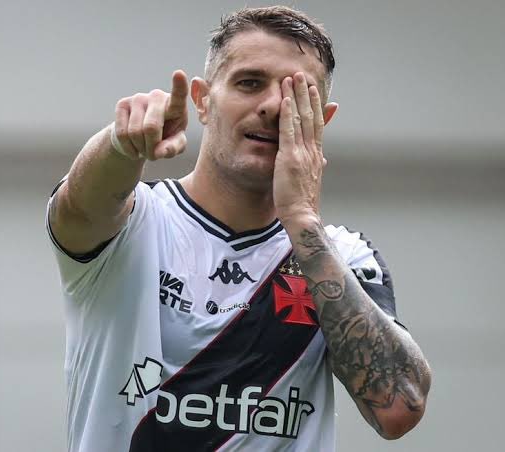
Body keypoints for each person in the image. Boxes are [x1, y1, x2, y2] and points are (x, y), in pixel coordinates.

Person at [46, 6, 431, 451]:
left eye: (297, 94)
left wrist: (302, 220)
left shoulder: (343, 257)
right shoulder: (137, 223)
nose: (272, 106)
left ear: (321, 120)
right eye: (250, 83)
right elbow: (80, 206)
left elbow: (397, 407)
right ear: (203, 99)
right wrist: (120, 143)